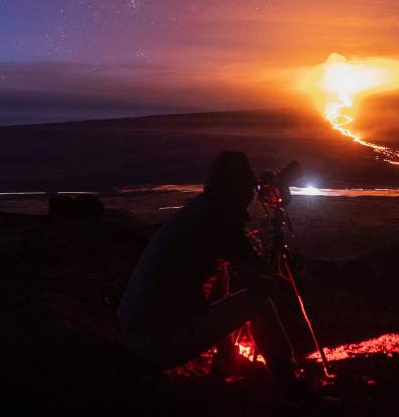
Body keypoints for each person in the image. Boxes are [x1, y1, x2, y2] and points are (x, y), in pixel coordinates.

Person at [117, 151, 333, 411]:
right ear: (235, 185)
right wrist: (290, 273)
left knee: (222, 274)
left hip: (135, 333)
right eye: (248, 180)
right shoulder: (217, 219)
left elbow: (236, 260)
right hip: (155, 344)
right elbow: (262, 273)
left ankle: (226, 361)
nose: (252, 189)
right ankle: (291, 391)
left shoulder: (202, 210)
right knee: (257, 303)